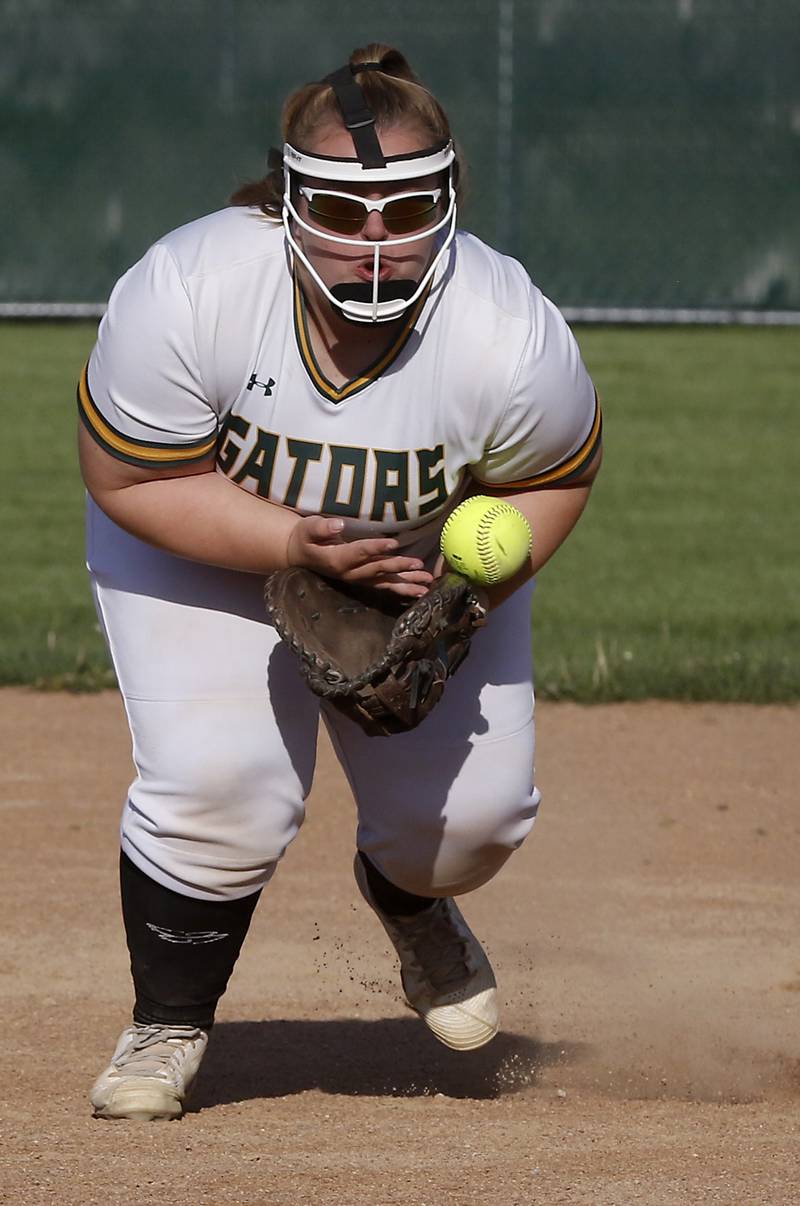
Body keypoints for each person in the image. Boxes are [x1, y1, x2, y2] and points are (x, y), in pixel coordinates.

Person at [78, 44, 602, 1122]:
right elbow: (128, 475)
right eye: (341, 210)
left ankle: (409, 907)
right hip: (203, 536)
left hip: (420, 568)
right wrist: (291, 545)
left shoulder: (504, 331)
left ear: (446, 200)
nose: (374, 241)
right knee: (224, 788)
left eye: (405, 210)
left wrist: (455, 611)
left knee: (470, 829)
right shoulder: (193, 285)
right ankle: (166, 1023)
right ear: (287, 200)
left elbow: (553, 480)